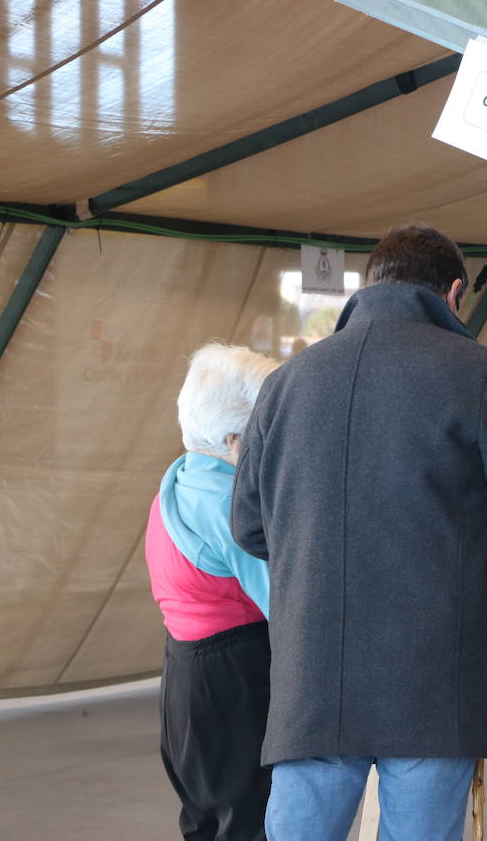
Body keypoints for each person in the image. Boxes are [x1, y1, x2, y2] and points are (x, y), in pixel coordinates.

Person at [231, 224, 487, 840]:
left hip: (313, 675)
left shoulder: (285, 382)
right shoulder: (478, 372)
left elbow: (250, 527)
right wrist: (462, 560)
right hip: (433, 676)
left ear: (368, 286)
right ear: (455, 291)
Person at [144, 342, 281, 841]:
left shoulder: (179, 479)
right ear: (233, 439)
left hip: (187, 682)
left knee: (211, 824)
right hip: (234, 684)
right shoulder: (232, 504)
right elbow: (291, 611)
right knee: (248, 826)